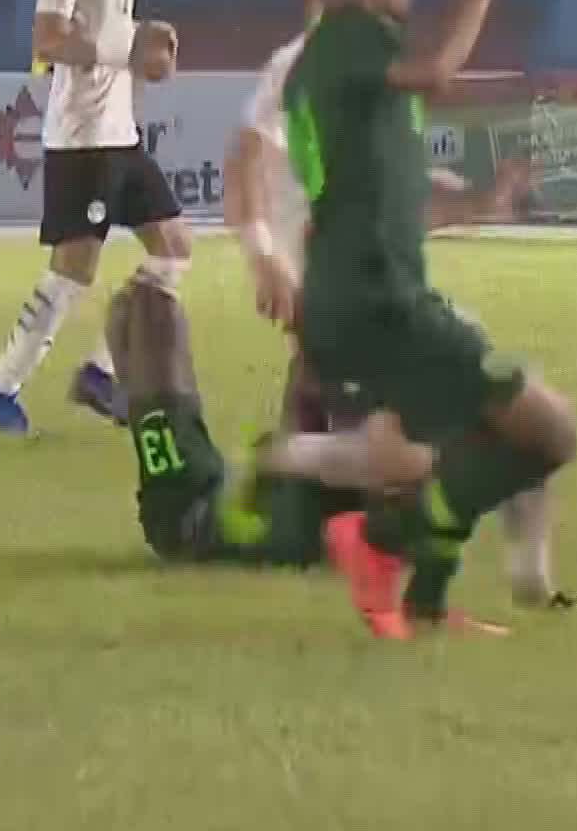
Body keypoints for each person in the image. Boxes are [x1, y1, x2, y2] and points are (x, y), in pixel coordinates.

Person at [277, 0, 577, 639]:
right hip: (380, 303)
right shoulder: (351, 37)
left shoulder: (337, 65)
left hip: (361, 299)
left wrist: (480, 201)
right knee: (549, 433)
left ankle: (427, 602)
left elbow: (374, 197)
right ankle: (382, 540)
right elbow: (440, 67)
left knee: (464, 442)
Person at [225, 0, 573, 607]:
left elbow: (399, 205)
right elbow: (243, 164)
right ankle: (286, 459)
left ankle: (530, 578)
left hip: (389, 303)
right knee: (452, 439)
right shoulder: (304, 67)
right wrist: (265, 256)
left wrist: (485, 201)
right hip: (343, 307)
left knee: (479, 421)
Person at [109, 161, 543, 570]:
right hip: (285, 495)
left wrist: (287, 452)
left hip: (195, 519)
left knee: (146, 309)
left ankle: (126, 382)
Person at [0, 0, 188, 436]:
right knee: (72, 270)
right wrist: (129, 49)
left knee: (173, 248)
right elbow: (47, 39)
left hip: (119, 135)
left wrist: (148, 39)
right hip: (84, 138)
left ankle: (102, 372)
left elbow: (110, 36)